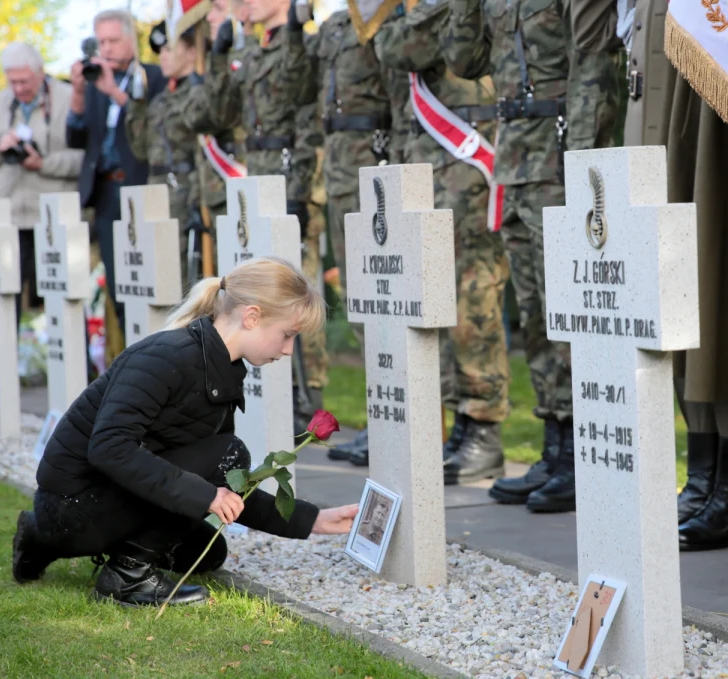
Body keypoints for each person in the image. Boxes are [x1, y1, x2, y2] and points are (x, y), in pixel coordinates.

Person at [11, 256, 360, 607]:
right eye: (288, 335)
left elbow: (225, 483)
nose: (287, 350)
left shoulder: (221, 367)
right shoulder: (166, 357)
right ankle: (127, 578)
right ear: (252, 317)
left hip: (99, 502)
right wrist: (204, 496)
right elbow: (109, 447)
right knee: (230, 452)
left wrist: (312, 519)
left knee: (205, 554)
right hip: (73, 506)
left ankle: (39, 537)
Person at [442, 0, 623, 512]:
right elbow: (464, 59)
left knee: (571, 313)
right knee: (538, 316)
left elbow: (594, 64)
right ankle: (555, 443)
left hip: (560, 156)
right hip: (516, 159)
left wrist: (583, 160)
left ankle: (584, 453)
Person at [373, 0, 512, 484]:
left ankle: (484, 428)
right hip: (427, 170)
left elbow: (400, 46)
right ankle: (460, 423)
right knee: (437, 303)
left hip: (465, 171)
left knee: (472, 300)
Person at [186, 0, 329, 433]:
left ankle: (311, 397)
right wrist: (220, 56)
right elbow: (218, 113)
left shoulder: (302, 39)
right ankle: (279, 395)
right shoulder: (250, 50)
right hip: (257, 179)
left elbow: (302, 102)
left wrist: (303, 189)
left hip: (295, 175)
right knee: (267, 295)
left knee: (300, 289)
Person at [314, 0, 413, 464]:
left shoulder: (385, 11)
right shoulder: (338, 22)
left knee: (383, 301)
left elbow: (400, 97)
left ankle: (400, 417)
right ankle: (380, 416)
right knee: (360, 303)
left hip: (374, 167)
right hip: (338, 170)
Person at [67, 9, 166, 332]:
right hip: (106, 192)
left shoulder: (154, 76)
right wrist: (79, 93)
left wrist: (115, 92)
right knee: (119, 285)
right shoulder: (94, 85)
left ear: (131, 40)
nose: (106, 48)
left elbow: (157, 126)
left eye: (113, 40)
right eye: (101, 42)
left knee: (152, 279)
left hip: (143, 187)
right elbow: (76, 139)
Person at [0, 42, 84, 324]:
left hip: (52, 216)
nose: (19, 88)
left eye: (24, 81)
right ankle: (15, 361)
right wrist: (1, 144)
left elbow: (84, 160)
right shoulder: (0, 103)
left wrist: (43, 163)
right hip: (10, 215)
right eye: (13, 81)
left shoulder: (68, 98)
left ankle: (74, 365)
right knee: (5, 298)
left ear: (40, 73)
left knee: (63, 299)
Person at [125, 22, 209, 282]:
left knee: (185, 272)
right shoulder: (160, 99)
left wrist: (196, 197)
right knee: (160, 272)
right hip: (157, 191)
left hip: (186, 191)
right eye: (160, 51)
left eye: (170, 49)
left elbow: (203, 150)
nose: (162, 55)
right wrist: (136, 105)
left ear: (192, 52)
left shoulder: (199, 93)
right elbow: (141, 150)